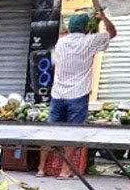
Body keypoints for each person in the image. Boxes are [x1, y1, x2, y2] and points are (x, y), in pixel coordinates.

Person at [41, 9, 116, 178]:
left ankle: (41, 168)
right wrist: (102, 18)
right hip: (78, 94)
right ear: (85, 28)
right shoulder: (89, 42)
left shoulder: (61, 43)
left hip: (58, 93)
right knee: (73, 134)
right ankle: (65, 170)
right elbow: (112, 33)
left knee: (50, 132)